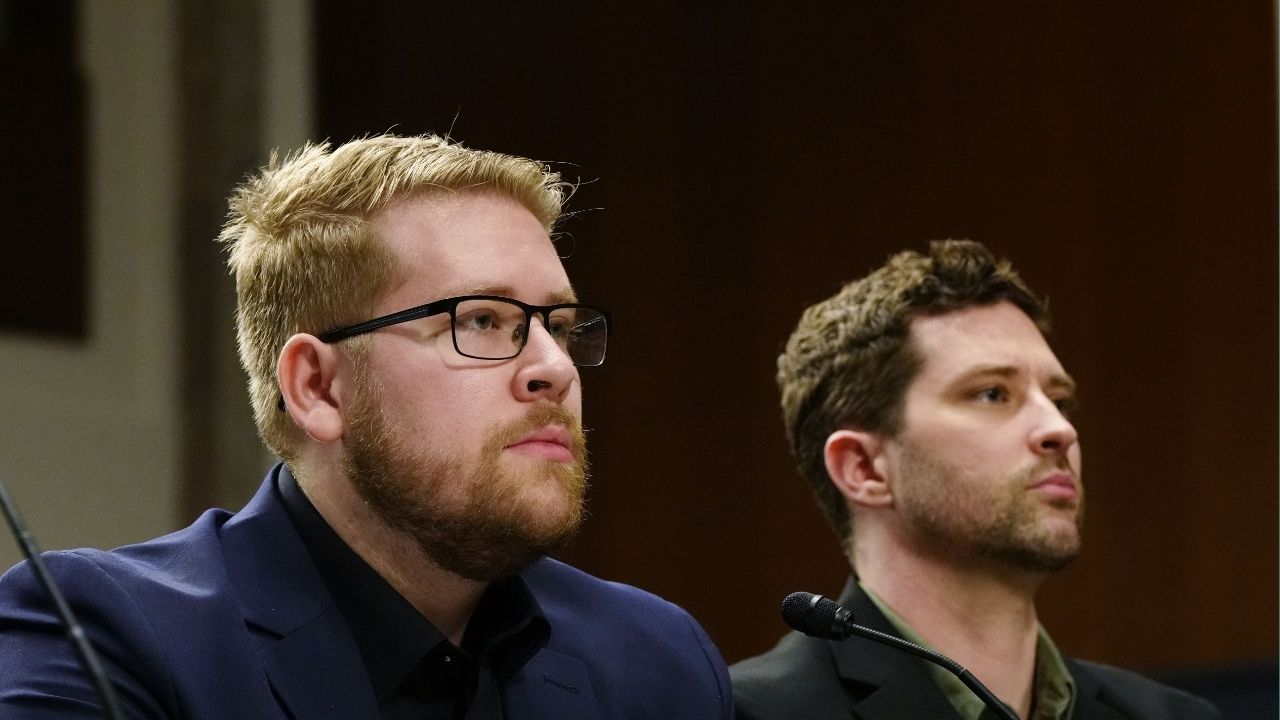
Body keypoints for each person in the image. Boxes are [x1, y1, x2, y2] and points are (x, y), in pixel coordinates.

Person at [0, 134, 733, 719]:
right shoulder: (108, 635)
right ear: (318, 387)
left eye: (561, 326)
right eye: (481, 320)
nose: (555, 369)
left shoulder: (655, 660)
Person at [730, 240, 1220, 719]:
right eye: (991, 394)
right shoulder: (749, 712)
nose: (1060, 429)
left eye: (1060, 399)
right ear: (865, 469)